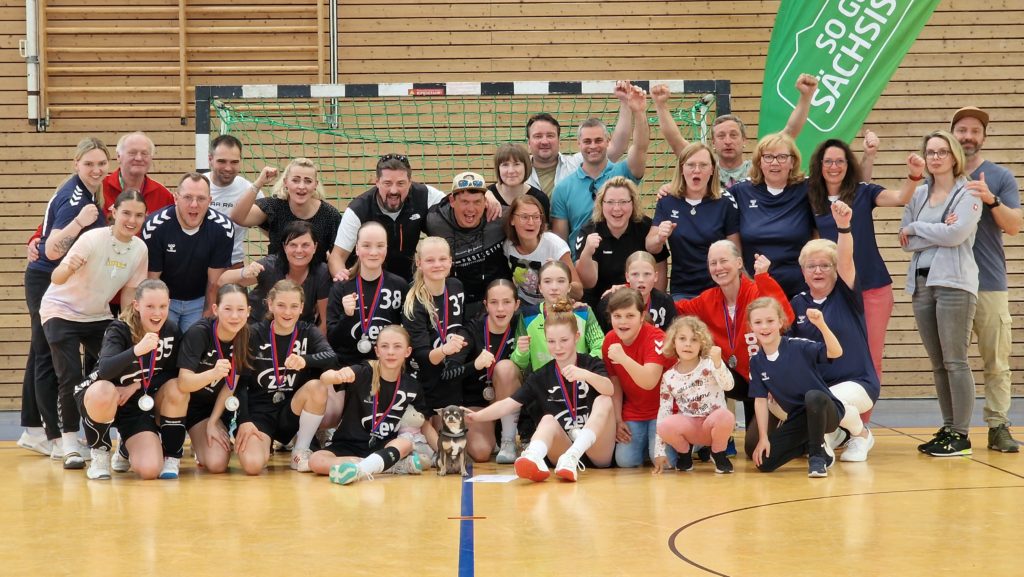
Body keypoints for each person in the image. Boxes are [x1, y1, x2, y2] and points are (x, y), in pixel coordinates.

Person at [40, 190, 149, 469]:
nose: (132, 220)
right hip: (60, 311)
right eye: (126, 213)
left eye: (138, 215)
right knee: (70, 375)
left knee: (122, 369)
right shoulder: (92, 239)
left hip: (97, 316)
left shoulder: (140, 249)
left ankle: (122, 441)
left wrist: (128, 328)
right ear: (113, 212)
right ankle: (69, 444)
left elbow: (130, 293)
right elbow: (56, 277)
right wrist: (69, 267)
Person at [806, 138, 922, 390]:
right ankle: (840, 412)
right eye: (828, 161)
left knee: (870, 358)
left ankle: (864, 413)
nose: (834, 167)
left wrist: (914, 176)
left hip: (872, 288)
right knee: (836, 355)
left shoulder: (863, 192)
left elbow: (901, 197)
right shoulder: (812, 198)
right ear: (819, 165)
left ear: (848, 165)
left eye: (840, 161)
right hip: (834, 293)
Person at [20, 137, 110, 458]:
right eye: (89, 164)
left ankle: (37, 431)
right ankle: (54, 437)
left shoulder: (87, 192)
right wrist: (80, 221)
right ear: (76, 164)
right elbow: (51, 249)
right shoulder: (76, 199)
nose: (96, 169)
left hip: (64, 282)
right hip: (48, 280)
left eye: (102, 163)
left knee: (41, 352)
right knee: (48, 356)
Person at [466, 298, 615, 482]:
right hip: (561, 450)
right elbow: (509, 403)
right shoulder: (541, 375)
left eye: (564, 340)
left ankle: (574, 455)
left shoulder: (591, 364)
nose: (558, 347)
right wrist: (477, 417)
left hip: (596, 449)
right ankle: (533, 456)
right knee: (547, 420)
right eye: (551, 341)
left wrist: (585, 375)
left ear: (576, 337)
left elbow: (609, 389)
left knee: (604, 400)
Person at [901, 131, 982, 457]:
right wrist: (935, 230)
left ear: (954, 156)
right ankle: (948, 427)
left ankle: (961, 435)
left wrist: (918, 227)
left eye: (942, 152)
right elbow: (905, 240)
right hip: (921, 285)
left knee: (955, 361)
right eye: (930, 152)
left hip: (954, 284)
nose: (935, 157)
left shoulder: (968, 192)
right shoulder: (920, 194)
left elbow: (956, 234)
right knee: (938, 364)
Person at [674, 239, 794, 457]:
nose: (718, 267)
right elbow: (674, 308)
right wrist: (635, 294)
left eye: (723, 261)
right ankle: (719, 437)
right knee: (707, 367)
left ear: (739, 263)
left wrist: (763, 277)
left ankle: (798, 428)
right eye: (713, 263)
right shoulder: (708, 299)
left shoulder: (757, 290)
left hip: (768, 384)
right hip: (738, 378)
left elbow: (786, 317)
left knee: (754, 449)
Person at [950, 106, 1023, 453]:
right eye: (962, 130)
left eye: (975, 131)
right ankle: (955, 428)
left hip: (989, 282)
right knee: (952, 363)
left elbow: (1014, 226)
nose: (968, 136)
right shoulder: (940, 175)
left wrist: (991, 200)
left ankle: (998, 426)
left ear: (983, 137)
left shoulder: (999, 176)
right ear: (952, 134)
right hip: (950, 283)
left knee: (996, 361)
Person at [790, 202, 879, 462]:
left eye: (825, 265)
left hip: (858, 383)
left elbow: (846, 260)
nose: (817, 271)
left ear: (835, 270)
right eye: (811, 266)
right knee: (793, 405)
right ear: (803, 271)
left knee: (821, 403)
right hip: (819, 388)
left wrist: (843, 228)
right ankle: (837, 435)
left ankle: (861, 435)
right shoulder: (797, 303)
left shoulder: (847, 294)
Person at [327, 154, 500, 281]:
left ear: (410, 183)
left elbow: (459, 199)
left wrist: (488, 195)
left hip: (408, 280)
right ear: (377, 182)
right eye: (387, 183)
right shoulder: (358, 210)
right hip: (367, 281)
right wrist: (343, 280)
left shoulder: (425, 195)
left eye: (401, 183)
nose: (394, 190)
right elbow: (337, 257)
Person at [75, 279, 177, 480]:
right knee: (104, 391)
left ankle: (124, 448)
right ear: (136, 305)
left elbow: (172, 373)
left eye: (162, 306)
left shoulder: (171, 331)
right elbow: (105, 370)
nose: (157, 313)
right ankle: (100, 453)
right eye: (150, 306)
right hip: (102, 396)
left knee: (150, 470)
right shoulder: (119, 329)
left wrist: (135, 386)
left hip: (134, 403)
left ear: (169, 305)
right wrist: (137, 350)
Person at [234, 280, 337, 475]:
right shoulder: (253, 333)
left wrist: (305, 360)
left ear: (302, 308)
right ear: (270, 304)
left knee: (317, 386)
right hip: (260, 413)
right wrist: (244, 420)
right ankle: (267, 443)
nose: (287, 312)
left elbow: (331, 356)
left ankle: (300, 449)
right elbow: (240, 383)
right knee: (253, 466)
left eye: (294, 306)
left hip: (291, 410)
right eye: (281, 305)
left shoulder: (308, 331)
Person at [311, 325, 434, 485]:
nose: (390, 352)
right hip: (348, 444)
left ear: (407, 351)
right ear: (377, 351)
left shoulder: (412, 386)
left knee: (405, 443)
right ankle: (388, 467)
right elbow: (324, 378)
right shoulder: (363, 371)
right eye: (385, 346)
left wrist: (443, 452)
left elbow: (425, 425)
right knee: (315, 461)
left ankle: (360, 468)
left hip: (384, 446)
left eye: (397, 346)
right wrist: (337, 375)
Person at [651, 74, 816, 188]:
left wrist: (806, 96)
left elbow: (790, 131)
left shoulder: (757, 168)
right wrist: (660, 105)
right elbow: (675, 140)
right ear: (713, 143)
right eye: (721, 136)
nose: (728, 141)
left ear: (744, 140)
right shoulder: (705, 169)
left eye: (734, 135)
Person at [157, 284, 252, 476]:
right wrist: (213, 373)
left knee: (217, 465)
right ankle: (164, 442)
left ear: (248, 311)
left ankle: (200, 441)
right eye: (228, 309)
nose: (235, 316)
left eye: (240, 309)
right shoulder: (199, 332)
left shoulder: (245, 336)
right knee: (176, 391)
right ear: (216, 309)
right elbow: (183, 383)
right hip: (184, 402)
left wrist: (213, 422)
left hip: (208, 410)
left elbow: (230, 385)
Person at [748, 298, 844, 477]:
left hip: (825, 411)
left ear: (780, 322)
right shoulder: (756, 362)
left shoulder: (798, 346)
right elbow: (760, 401)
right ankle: (815, 447)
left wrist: (821, 325)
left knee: (813, 396)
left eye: (770, 321)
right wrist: (763, 438)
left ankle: (816, 458)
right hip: (799, 419)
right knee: (765, 462)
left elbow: (836, 352)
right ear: (751, 326)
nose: (764, 327)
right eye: (758, 322)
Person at [551, 83, 650, 246]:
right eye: (587, 141)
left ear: (608, 141)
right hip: (582, 260)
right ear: (578, 144)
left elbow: (640, 147)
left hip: (624, 259)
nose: (593, 146)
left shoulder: (624, 173)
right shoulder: (563, 189)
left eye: (598, 140)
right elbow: (560, 245)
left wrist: (639, 112)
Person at [647, 142, 739, 299]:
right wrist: (659, 238)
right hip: (682, 290)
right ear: (682, 168)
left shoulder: (725, 202)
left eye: (703, 165)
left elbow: (736, 251)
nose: (697, 170)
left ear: (712, 170)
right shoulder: (667, 201)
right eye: (691, 165)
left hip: (719, 288)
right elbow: (650, 246)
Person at [142, 172, 234, 331]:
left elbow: (214, 282)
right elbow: (152, 280)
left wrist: (207, 315)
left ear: (210, 201)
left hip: (199, 301)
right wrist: (156, 313)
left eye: (201, 198)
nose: (194, 204)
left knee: (194, 343)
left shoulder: (223, 228)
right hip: (164, 301)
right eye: (187, 197)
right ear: (176, 198)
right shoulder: (154, 226)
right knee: (163, 343)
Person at [729, 132, 816, 297]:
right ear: (759, 162)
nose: (775, 163)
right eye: (768, 157)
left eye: (782, 157)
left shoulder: (808, 189)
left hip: (801, 288)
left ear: (792, 162)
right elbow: (710, 200)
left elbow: (847, 188)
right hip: (755, 288)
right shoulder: (741, 192)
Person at [445, 279, 522, 463]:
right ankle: (491, 436)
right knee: (481, 453)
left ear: (517, 304)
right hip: (479, 404)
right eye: (494, 302)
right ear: (486, 305)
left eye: (507, 302)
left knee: (505, 368)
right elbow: (448, 374)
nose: (500, 309)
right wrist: (475, 365)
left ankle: (508, 440)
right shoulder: (471, 331)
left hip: (511, 400)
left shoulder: (523, 325)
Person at [602, 288, 674, 469]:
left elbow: (649, 382)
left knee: (665, 464)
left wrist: (623, 358)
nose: (623, 322)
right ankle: (649, 445)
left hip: (665, 411)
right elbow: (615, 383)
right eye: (617, 316)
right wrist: (618, 420)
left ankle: (695, 442)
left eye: (630, 316)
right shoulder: (610, 340)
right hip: (635, 412)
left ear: (642, 316)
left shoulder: (656, 337)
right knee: (625, 461)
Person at [574, 176, 668, 316]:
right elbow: (588, 283)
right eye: (610, 202)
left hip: (638, 305)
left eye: (623, 202)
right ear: (601, 204)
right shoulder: (589, 231)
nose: (617, 208)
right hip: (599, 305)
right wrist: (587, 253)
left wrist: (653, 307)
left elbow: (659, 271)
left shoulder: (646, 228)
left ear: (633, 203)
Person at [654, 316, 735, 474]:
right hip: (690, 428)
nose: (688, 344)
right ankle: (684, 454)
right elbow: (664, 411)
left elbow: (728, 386)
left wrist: (718, 364)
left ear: (702, 344)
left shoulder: (710, 363)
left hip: (712, 425)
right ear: (673, 342)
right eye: (682, 338)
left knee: (726, 416)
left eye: (694, 339)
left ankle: (718, 453)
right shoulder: (669, 377)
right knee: (665, 425)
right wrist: (659, 451)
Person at [219, 220, 330, 333]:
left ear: (315, 247)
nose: (299, 250)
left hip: (297, 335)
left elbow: (325, 321)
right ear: (284, 247)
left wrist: (315, 343)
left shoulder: (322, 273)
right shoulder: (269, 266)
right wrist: (244, 272)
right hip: (256, 331)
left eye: (305, 245)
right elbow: (222, 281)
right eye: (293, 245)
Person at [424, 172, 511, 315]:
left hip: (495, 301)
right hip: (455, 301)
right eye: (465, 202)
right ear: (452, 201)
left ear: (486, 201)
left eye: (477, 202)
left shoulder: (501, 217)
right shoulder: (434, 220)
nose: (471, 209)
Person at [230, 157, 341, 267]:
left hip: (316, 276)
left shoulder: (330, 215)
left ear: (315, 185)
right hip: (277, 276)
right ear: (285, 182)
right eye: (295, 180)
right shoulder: (273, 207)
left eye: (308, 181)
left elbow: (339, 256)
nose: (301, 186)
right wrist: (258, 183)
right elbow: (238, 217)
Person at [525, 81, 633, 194]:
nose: (544, 141)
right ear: (529, 143)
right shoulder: (518, 171)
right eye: (538, 136)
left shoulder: (577, 164)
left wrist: (625, 102)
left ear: (559, 140)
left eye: (550, 135)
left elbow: (616, 147)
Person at [401, 237, 469, 412]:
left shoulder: (456, 286)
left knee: (455, 427)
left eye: (442, 259)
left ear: (450, 261)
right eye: (430, 260)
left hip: (451, 375)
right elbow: (422, 357)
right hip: (425, 382)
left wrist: (455, 356)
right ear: (419, 263)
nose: (437, 265)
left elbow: (462, 326)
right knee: (429, 428)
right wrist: (445, 350)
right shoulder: (414, 303)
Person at [326, 221, 406, 365]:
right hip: (348, 368)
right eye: (366, 245)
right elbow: (332, 340)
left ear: (386, 248)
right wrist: (347, 316)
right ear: (357, 249)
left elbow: (407, 332)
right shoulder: (340, 287)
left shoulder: (400, 286)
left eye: (380, 246)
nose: (373, 252)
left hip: (386, 366)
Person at [512, 260, 604, 372]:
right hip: (543, 380)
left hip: (579, 377)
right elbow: (518, 363)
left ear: (569, 286)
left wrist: (584, 368)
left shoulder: (583, 312)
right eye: (547, 281)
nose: (554, 287)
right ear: (540, 287)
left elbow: (600, 346)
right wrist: (521, 352)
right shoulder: (528, 315)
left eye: (561, 281)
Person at [206, 134, 277, 267]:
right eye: (222, 161)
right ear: (210, 159)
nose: (228, 168)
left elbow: (271, 230)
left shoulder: (250, 190)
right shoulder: (196, 186)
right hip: (197, 264)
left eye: (234, 162)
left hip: (233, 264)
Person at [502, 195, 580, 305]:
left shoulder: (555, 246)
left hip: (553, 305)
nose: (531, 222)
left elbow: (579, 292)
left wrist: (559, 275)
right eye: (524, 217)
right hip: (523, 304)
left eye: (536, 217)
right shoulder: (508, 245)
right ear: (512, 220)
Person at [598, 251, 676, 330]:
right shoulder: (609, 302)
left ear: (656, 276)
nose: (641, 280)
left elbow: (671, 334)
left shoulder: (665, 301)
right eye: (635, 274)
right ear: (627, 277)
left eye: (647, 274)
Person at [488, 143, 550, 219]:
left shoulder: (540, 199)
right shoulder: (486, 196)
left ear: (526, 167)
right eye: (505, 165)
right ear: (498, 169)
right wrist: (485, 194)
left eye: (516, 164)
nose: (511, 171)